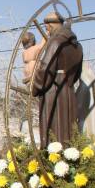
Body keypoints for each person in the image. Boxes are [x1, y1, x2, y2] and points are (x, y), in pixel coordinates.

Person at [32, 11, 83, 147]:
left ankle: (53, 164)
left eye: (46, 26)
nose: (46, 30)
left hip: (53, 95)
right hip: (69, 94)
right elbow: (77, 74)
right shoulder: (78, 46)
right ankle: (69, 161)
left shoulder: (56, 42)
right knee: (69, 134)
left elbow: (45, 69)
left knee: (54, 136)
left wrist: (35, 87)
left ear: (51, 25)